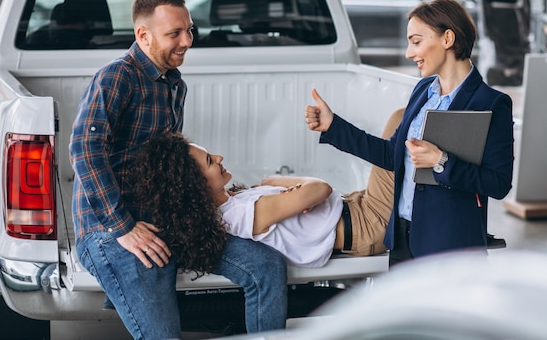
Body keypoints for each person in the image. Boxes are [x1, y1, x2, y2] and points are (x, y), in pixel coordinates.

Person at [69, 0, 287, 340]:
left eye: (189, 31)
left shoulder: (174, 84)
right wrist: (123, 227)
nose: (187, 41)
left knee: (266, 265)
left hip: (164, 223)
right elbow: (84, 149)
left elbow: (171, 168)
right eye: (174, 34)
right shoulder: (117, 77)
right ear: (143, 35)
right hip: (109, 230)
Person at [304, 0, 514, 267]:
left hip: (449, 249)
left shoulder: (491, 103)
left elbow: (498, 184)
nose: (408, 53)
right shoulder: (422, 92)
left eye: (416, 41)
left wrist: (441, 162)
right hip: (403, 241)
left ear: (447, 39)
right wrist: (334, 126)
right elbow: (392, 155)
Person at [129, 109, 402, 268]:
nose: (220, 158)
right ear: (196, 186)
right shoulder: (241, 214)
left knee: (402, 127)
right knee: (402, 119)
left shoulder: (234, 201)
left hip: (357, 206)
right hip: (368, 223)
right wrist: (277, 181)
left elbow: (314, 194)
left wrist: (296, 191)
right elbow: (320, 188)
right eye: (211, 161)